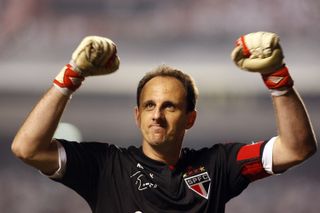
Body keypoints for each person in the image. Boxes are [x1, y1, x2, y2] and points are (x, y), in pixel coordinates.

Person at [12, 32, 317, 213]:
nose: (157, 114)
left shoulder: (219, 165)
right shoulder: (105, 166)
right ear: (137, 115)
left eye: (169, 106)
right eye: (149, 106)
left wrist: (277, 77)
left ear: (190, 119)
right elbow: (27, 148)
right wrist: (70, 77)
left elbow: (296, 149)